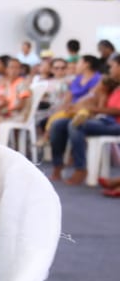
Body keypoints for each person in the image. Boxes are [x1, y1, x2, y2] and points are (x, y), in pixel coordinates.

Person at [49, 54, 120, 184]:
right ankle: (58, 165)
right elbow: (97, 99)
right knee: (58, 124)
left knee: (76, 124)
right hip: (104, 120)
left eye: (112, 66)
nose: (110, 69)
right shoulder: (114, 85)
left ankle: (80, 168)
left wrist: (94, 110)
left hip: (115, 124)